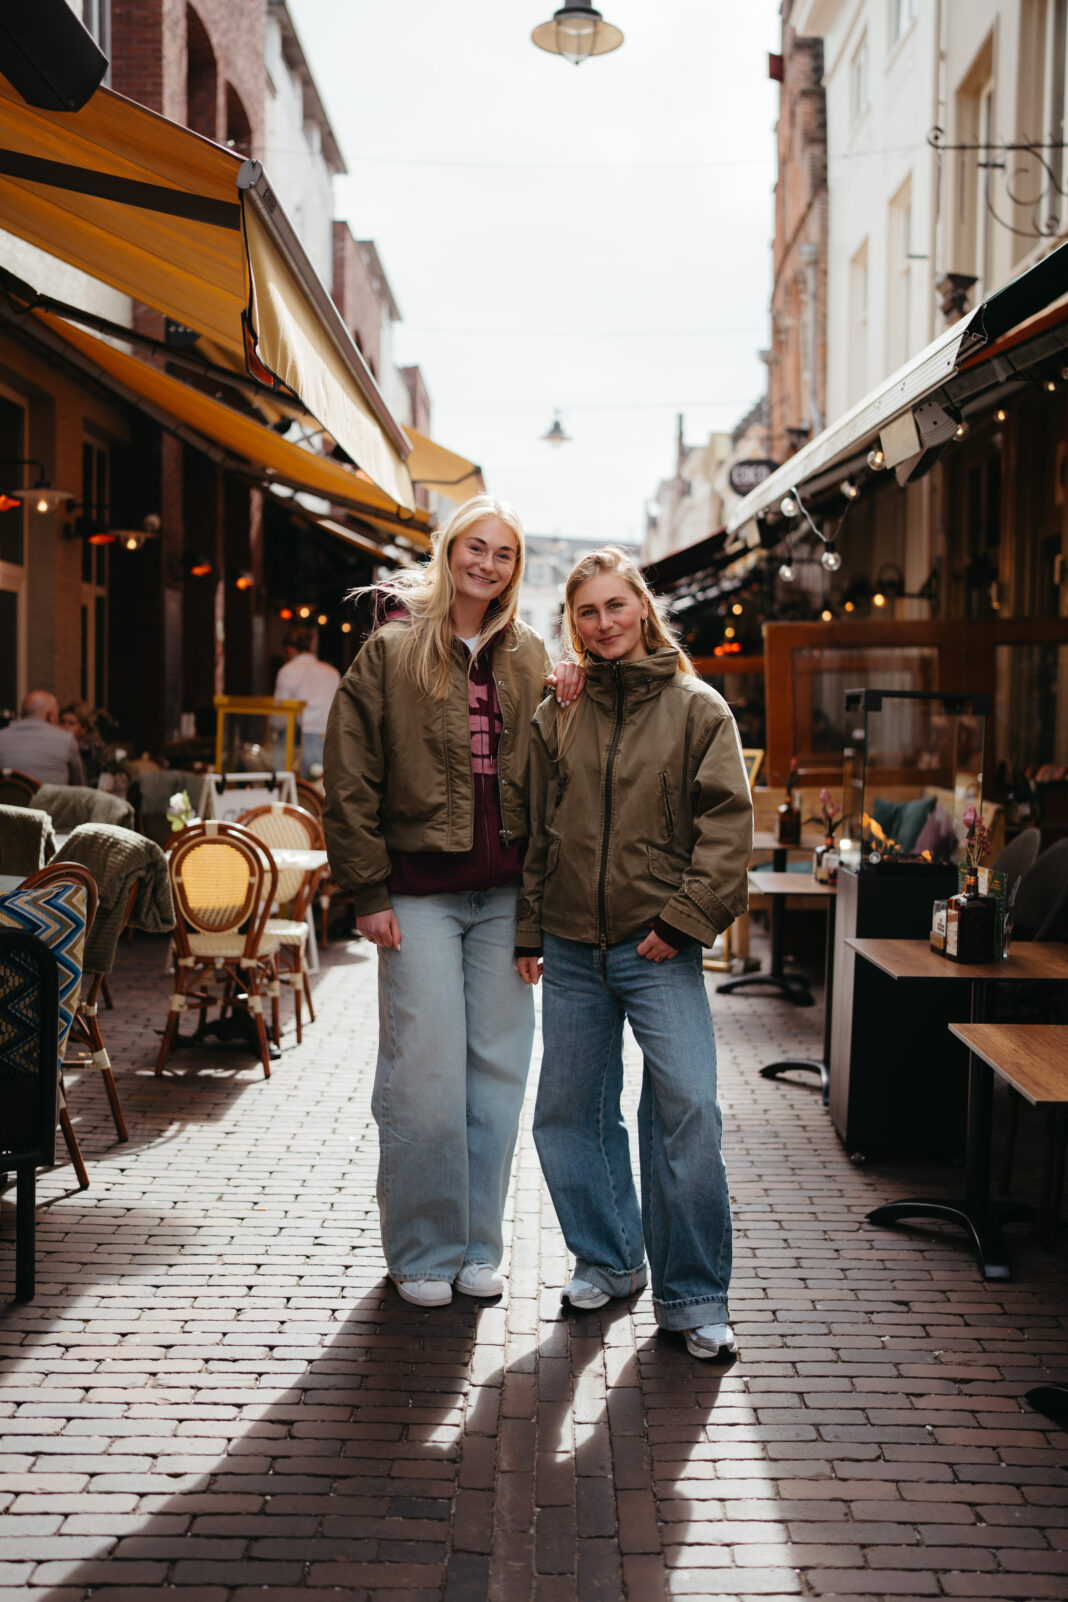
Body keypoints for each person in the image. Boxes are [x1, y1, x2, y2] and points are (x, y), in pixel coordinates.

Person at [323, 494, 582, 1309]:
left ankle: (478, 1246)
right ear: (449, 551)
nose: (489, 564)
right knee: (424, 1078)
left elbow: (560, 758)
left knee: (497, 1076)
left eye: (505, 553)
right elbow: (350, 773)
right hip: (421, 896)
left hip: (505, 896)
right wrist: (367, 888)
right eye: (477, 547)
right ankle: (422, 1251)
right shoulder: (392, 650)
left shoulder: (531, 653)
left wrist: (575, 688)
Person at [516, 547, 753, 1360]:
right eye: (587, 611)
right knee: (568, 1114)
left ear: (642, 609)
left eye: (617, 606)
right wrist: (528, 929)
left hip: (659, 950)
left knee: (687, 1108)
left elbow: (727, 826)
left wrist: (685, 920)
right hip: (574, 949)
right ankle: (609, 1259)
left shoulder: (697, 709)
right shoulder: (561, 711)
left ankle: (694, 1298)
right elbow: (539, 829)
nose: (605, 622)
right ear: (572, 625)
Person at [273, 628, 341, 777]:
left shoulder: (288, 670)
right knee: (320, 793)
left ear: (289, 649)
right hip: (330, 740)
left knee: (297, 791)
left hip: (300, 741)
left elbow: (279, 718)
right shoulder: (332, 672)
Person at [0, 690, 84, 785]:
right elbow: (79, 787)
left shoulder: (1, 736)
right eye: (58, 716)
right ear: (50, 716)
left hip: (7, 799)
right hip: (51, 800)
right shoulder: (66, 739)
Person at [60, 700, 107, 786]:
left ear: (83, 729)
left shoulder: (91, 749)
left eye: (71, 723)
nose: (65, 727)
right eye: (62, 722)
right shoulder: (57, 745)